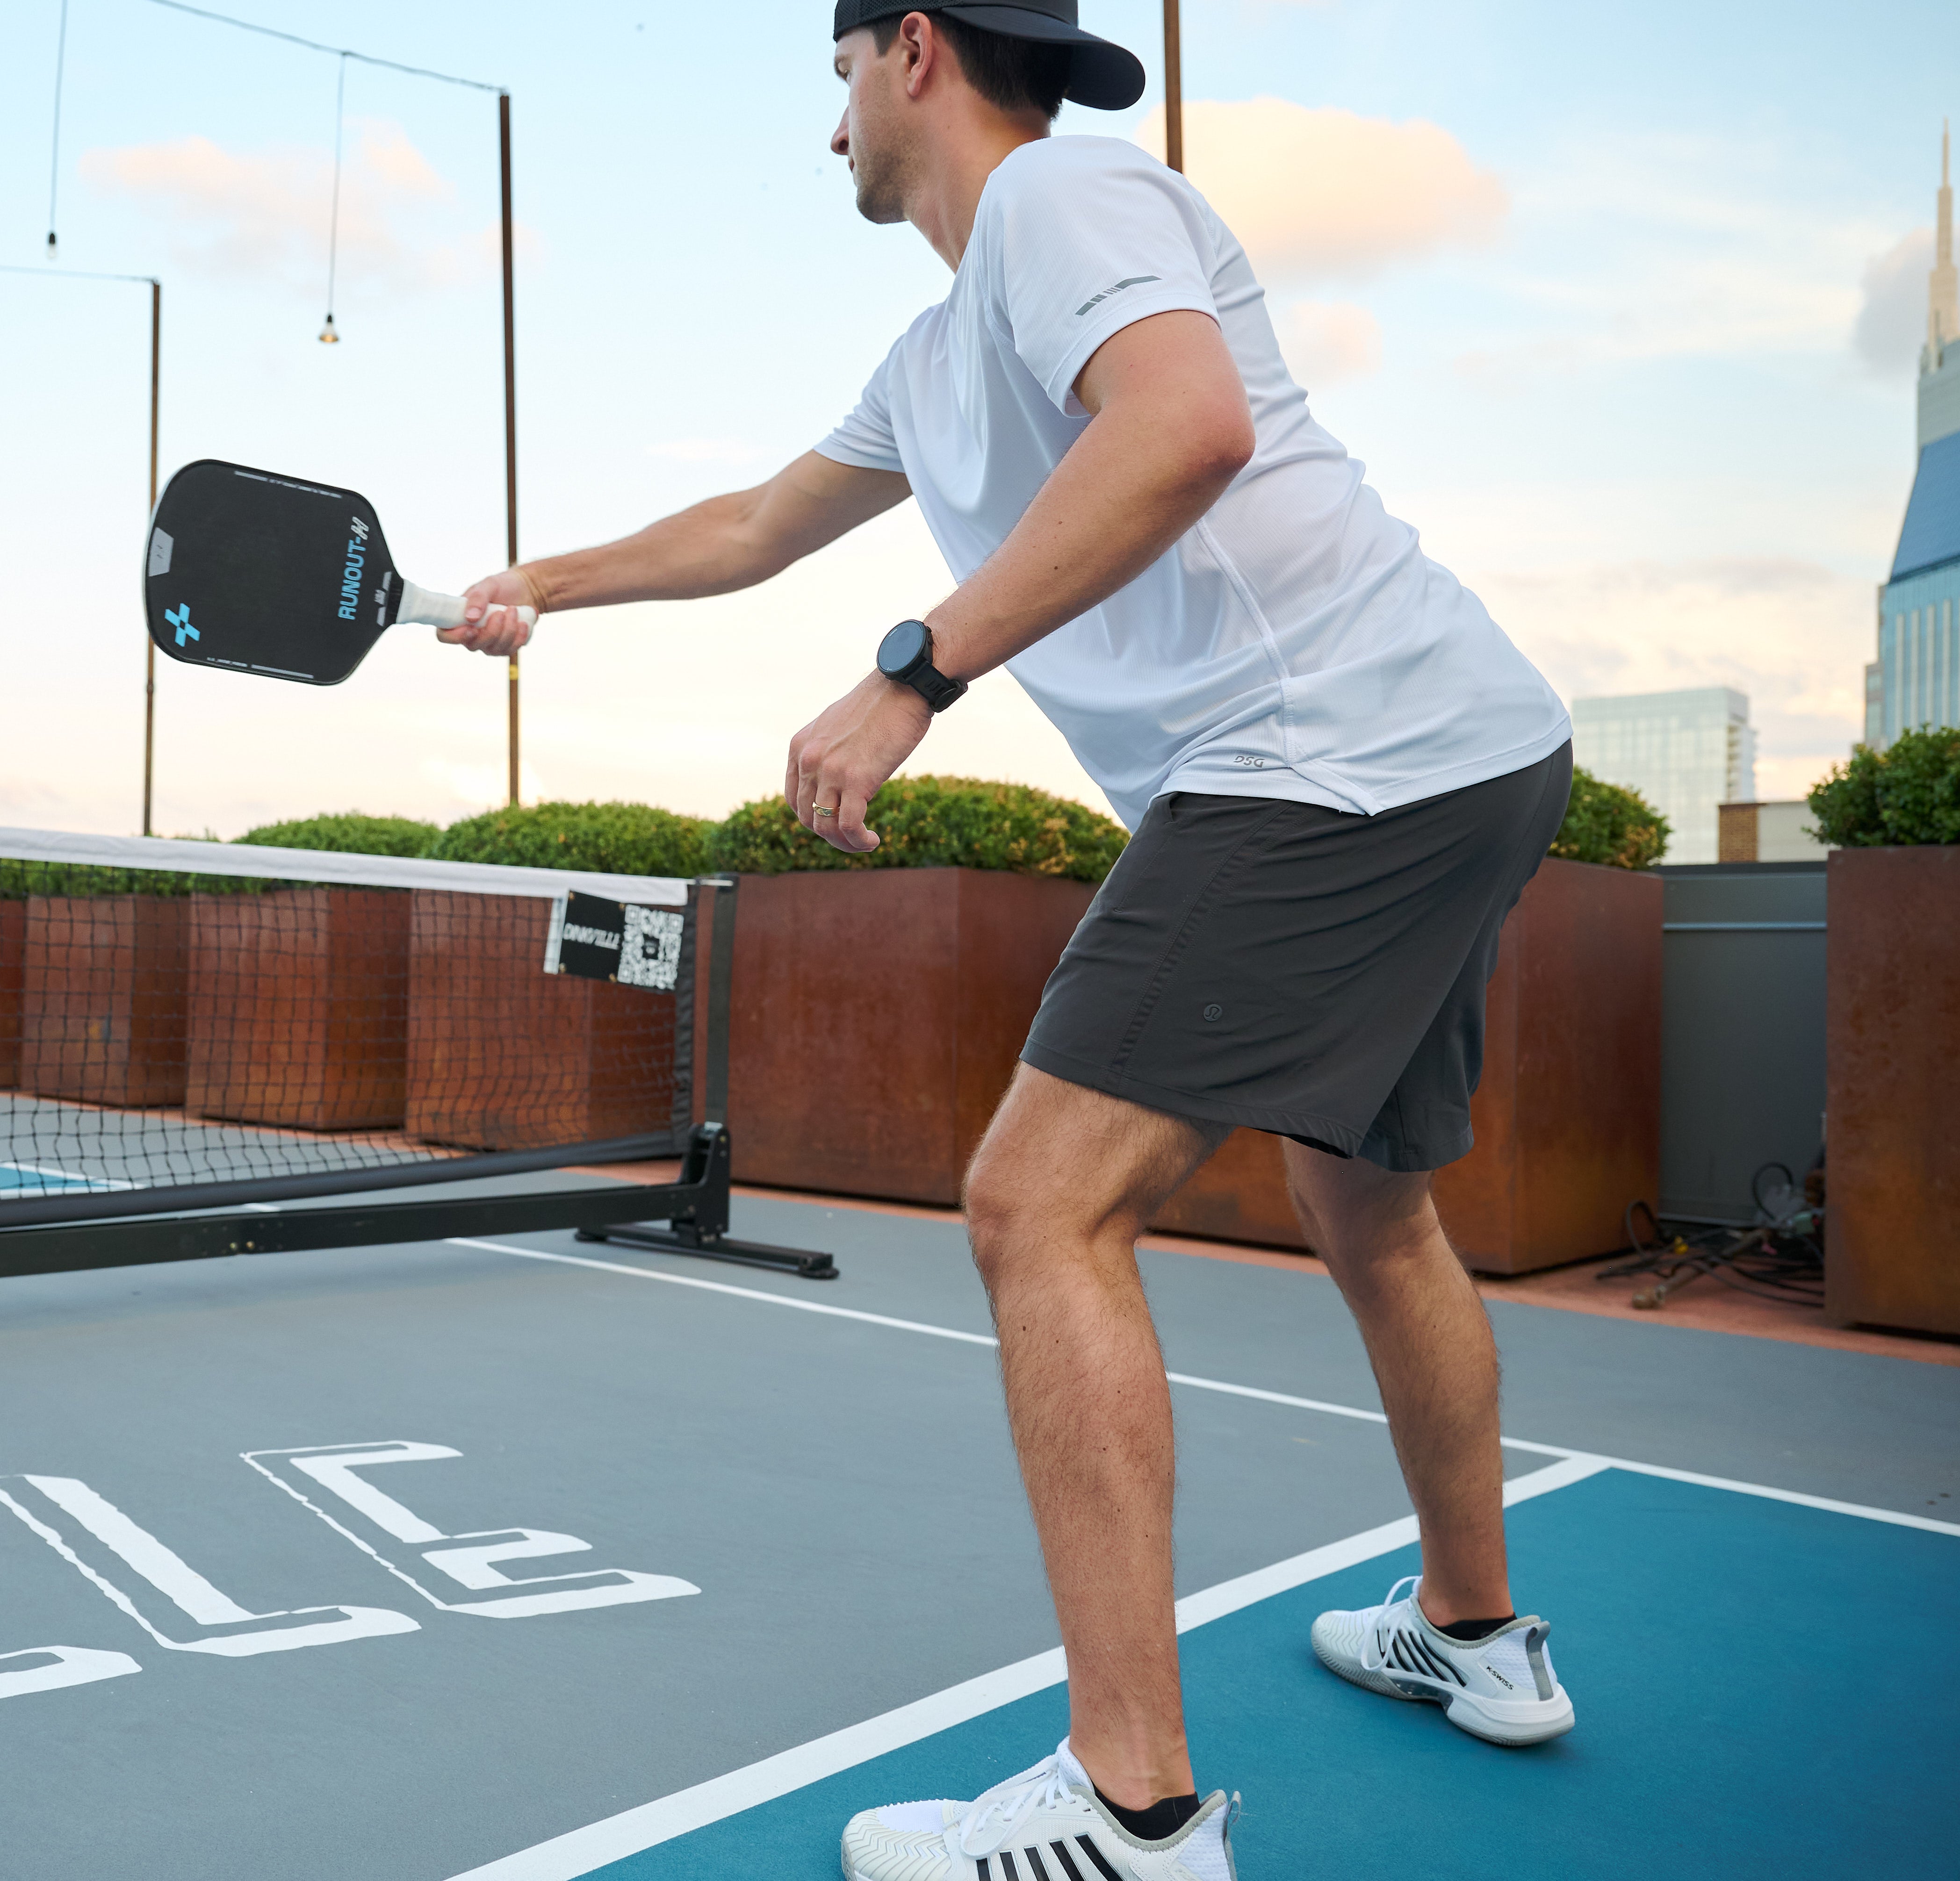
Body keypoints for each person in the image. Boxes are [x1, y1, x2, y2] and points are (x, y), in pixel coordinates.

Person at [443, 7, 1577, 1876]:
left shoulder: (1060, 195)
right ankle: (1475, 1638)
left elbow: (1188, 426)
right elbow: (756, 521)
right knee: (1370, 1203)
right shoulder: (938, 342)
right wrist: (540, 582)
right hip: (1465, 748)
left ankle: (1132, 1810)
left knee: (1037, 1201)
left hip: (1322, 760)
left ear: (910, 52)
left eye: (834, 85)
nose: (829, 136)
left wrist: (920, 671)